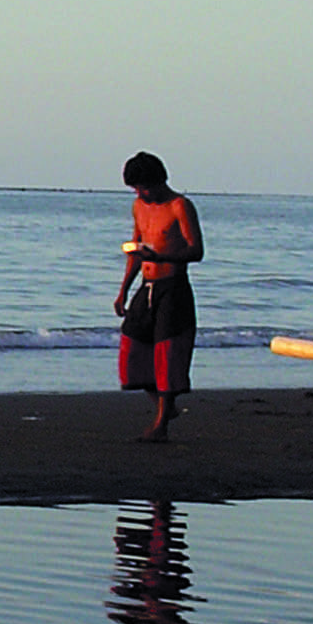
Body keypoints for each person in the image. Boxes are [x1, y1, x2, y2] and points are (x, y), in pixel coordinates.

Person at [117, 150, 204, 441]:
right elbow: (135, 251)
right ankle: (165, 408)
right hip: (147, 285)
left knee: (168, 356)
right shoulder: (139, 207)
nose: (139, 193)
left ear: (156, 181)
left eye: (143, 187)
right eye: (135, 189)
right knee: (132, 350)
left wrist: (160, 255)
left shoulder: (180, 206)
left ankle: (160, 426)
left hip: (173, 287)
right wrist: (123, 290)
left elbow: (196, 250)